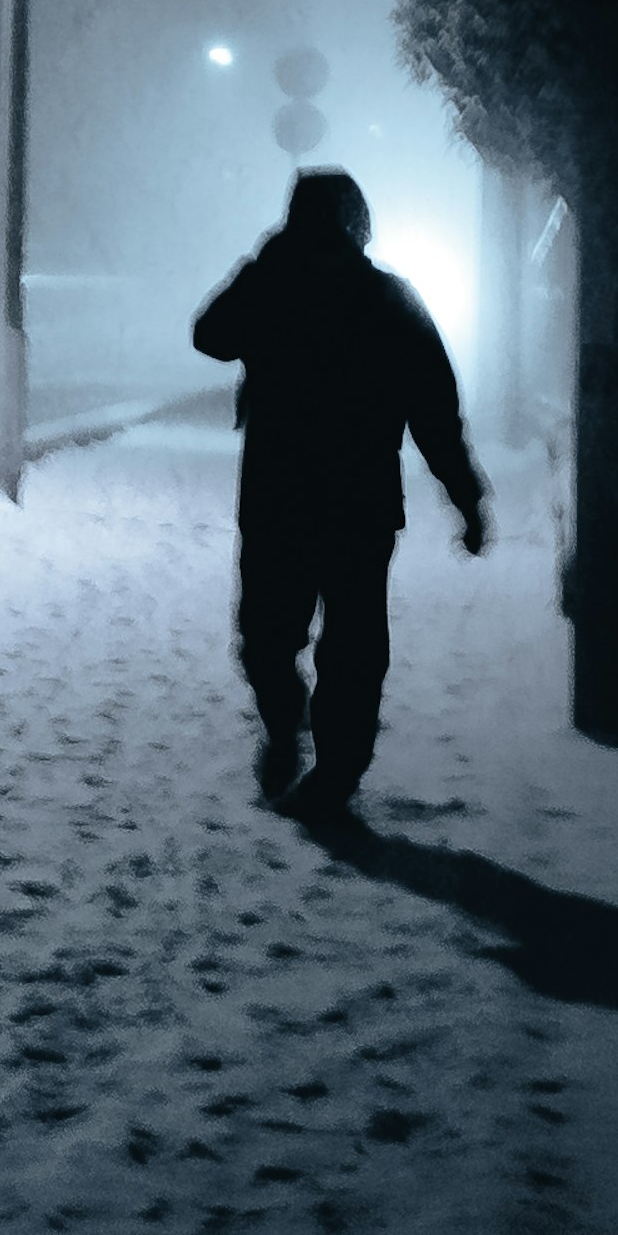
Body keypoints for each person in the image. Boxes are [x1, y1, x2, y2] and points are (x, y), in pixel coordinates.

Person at [190, 167, 487, 818]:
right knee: (351, 646)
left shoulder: (279, 290)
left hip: (281, 497)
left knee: (269, 635)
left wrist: (263, 265)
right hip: (357, 502)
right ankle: (333, 771)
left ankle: (296, 735)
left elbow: (210, 333)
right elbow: (435, 412)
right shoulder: (388, 300)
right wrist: (466, 497)